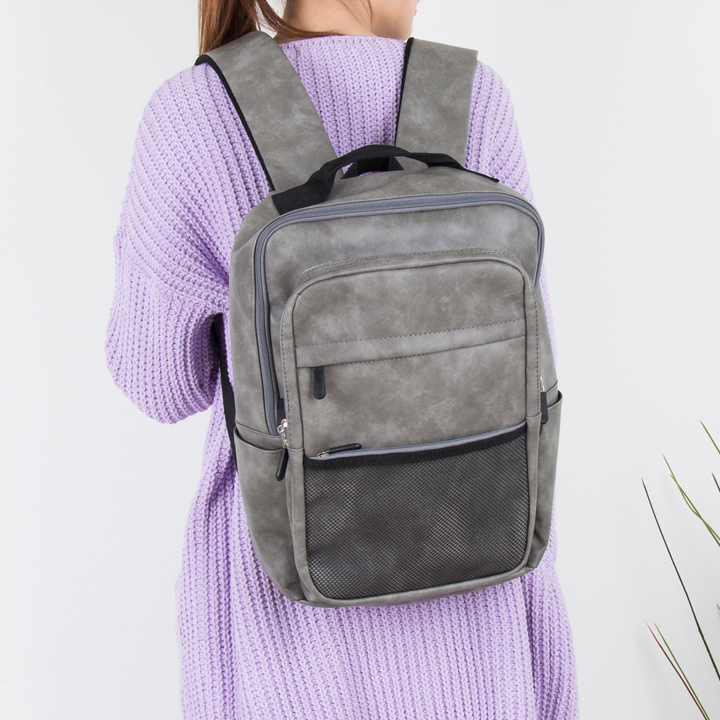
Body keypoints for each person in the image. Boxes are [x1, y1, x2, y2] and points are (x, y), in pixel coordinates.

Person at [106, 0, 579, 717]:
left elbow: (160, 385)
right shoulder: (474, 97)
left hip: (293, 639)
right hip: (484, 627)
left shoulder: (194, 111)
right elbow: (527, 375)